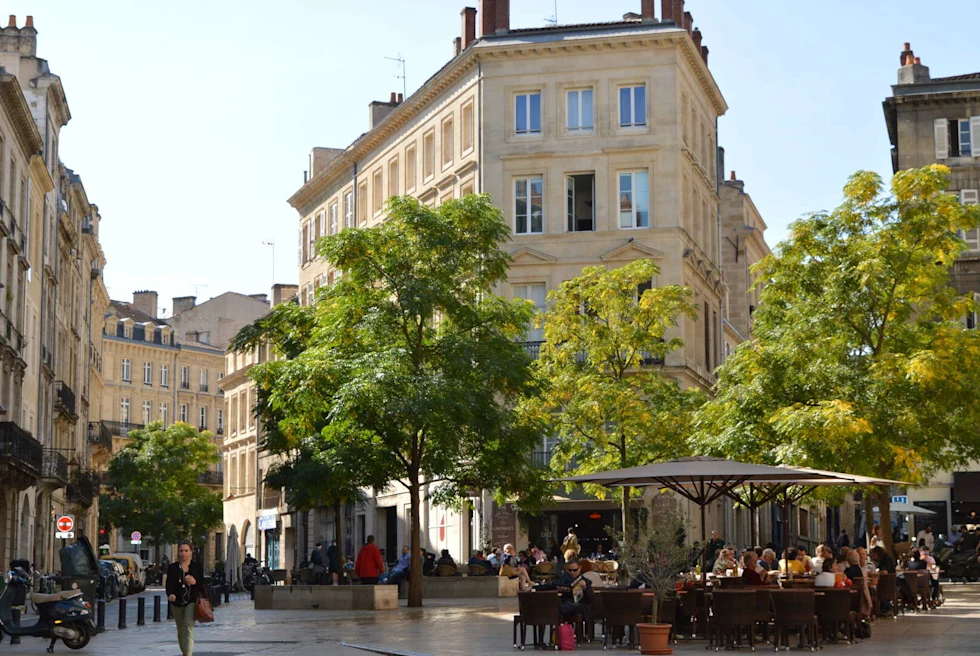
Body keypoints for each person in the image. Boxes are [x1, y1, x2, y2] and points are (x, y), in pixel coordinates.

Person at [166, 539, 204, 656]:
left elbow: (202, 586)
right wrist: (170, 594)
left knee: (188, 626)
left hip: (191, 601)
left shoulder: (196, 567)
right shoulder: (173, 568)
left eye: (186, 551)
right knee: (181, 630)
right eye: (181, 551)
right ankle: (185, 652)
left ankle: (188, 654)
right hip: (176, 602)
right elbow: (169, 585)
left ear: (191, 552)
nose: (184, 553)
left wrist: (194, 582)